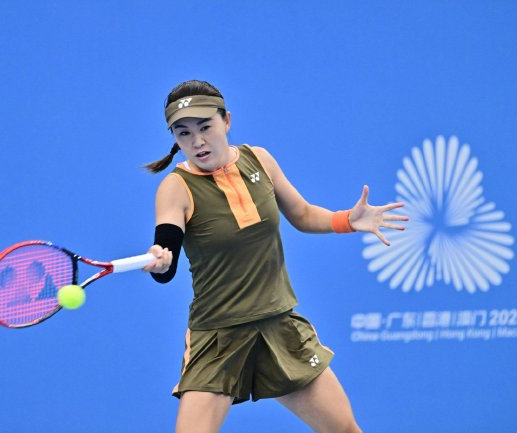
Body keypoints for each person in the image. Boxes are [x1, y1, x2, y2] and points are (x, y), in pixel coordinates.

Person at [142, 80, 407, 433]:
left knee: (345, 429)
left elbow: (303, 214)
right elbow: (167, 255)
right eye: (184, 133)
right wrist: (161, 262)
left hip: (277, 325)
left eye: (205, 127)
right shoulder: (175, 188)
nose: (197, 141)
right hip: (218, 336)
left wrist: (347, 220)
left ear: (227, 121)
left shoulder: (260, 160)